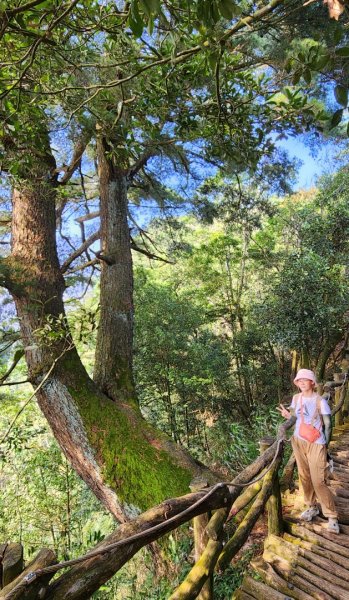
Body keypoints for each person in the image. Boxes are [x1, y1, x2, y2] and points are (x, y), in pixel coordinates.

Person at [277, 368, 340, 534]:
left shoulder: (321, 401)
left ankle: (332, 515)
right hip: (298, 441)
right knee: (304, 476)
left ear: (312, 382)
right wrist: (286, 415)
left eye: (305, 380)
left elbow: (328, 424)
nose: (302, 383)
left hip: (316, 443)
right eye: (299, 380)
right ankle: (312, 506)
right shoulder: (296, 398)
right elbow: (295, 415)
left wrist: (324, 444)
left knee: (318, 480)